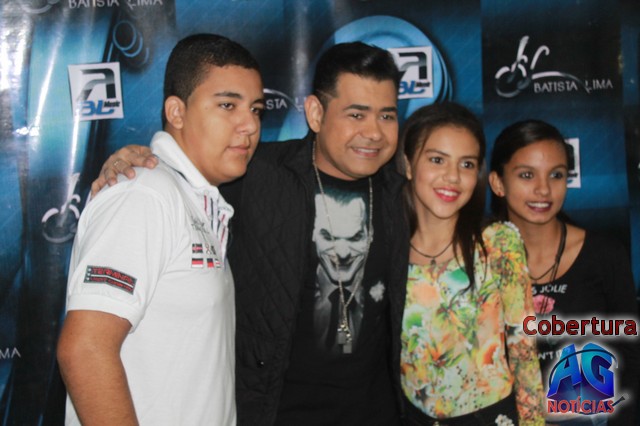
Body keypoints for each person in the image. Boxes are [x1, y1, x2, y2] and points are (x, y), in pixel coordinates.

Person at [91, 42, 409, 426]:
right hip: (273, 414)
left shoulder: (402, 194)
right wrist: (136, 158)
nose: (373, 132)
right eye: (356, 114)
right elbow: (188, 166)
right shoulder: (254, 173)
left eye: (387, 116)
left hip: (375, 413)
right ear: (315, 113)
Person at [56, 33, 265, 425]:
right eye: (227, 105)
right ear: (177, 112)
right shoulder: (145, 194)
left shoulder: (193, 196)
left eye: (256, 109)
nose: (250, 124)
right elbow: (84, 349)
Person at [398, 102, 545, 425]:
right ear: (408, 165)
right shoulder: (386, 248)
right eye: (437, 160)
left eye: (466, 164)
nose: (452, 177)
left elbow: (524, 354)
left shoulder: (498, 243)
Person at [488, 119, 639, 426]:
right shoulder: (479, 259)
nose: (543, 189)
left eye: (556, 175)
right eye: (527, 175)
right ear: (498, 183)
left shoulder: (604, 255)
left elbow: (630, 358)